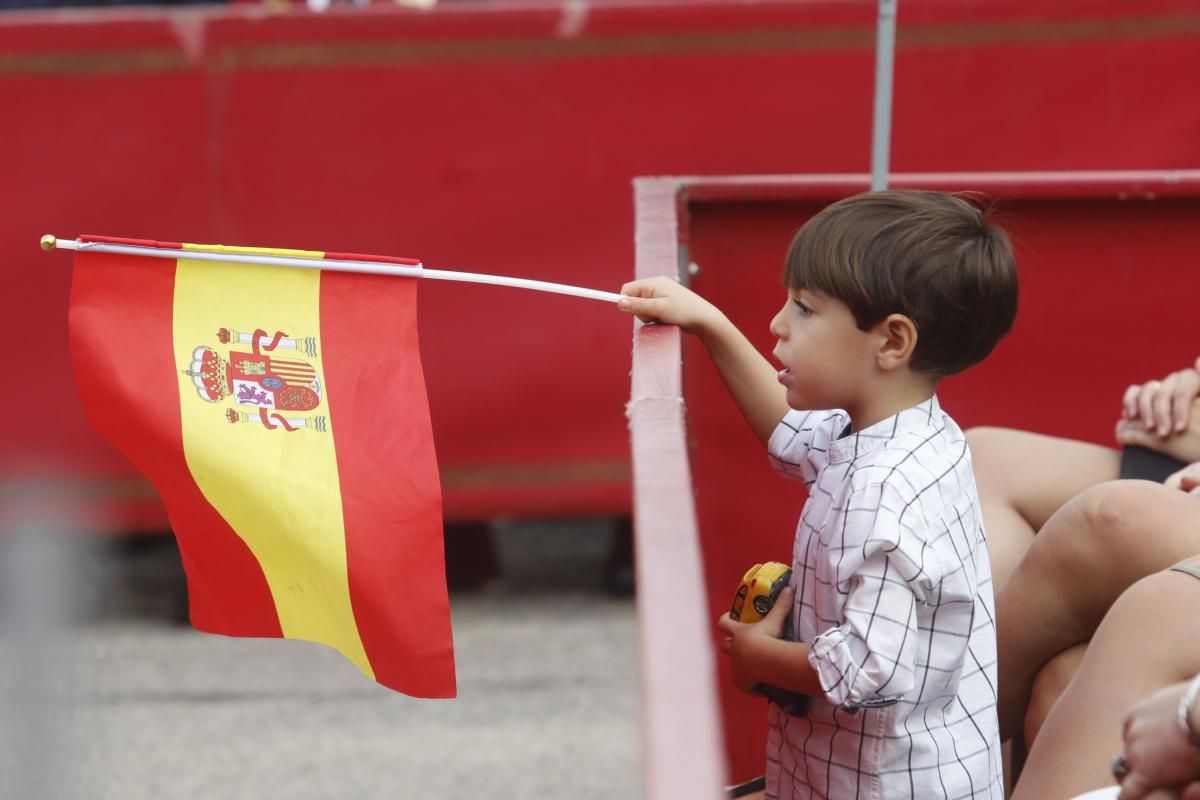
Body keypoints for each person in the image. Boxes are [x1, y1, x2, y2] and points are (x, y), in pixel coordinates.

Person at [619, 190, 1018, 799]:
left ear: (891, 343)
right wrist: (708, 322)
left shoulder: (882, 491)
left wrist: (759, 659)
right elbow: (791, 433)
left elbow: (867, 667)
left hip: (883, 784)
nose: (778, 324)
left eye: (804, 309)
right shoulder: (914, 431)